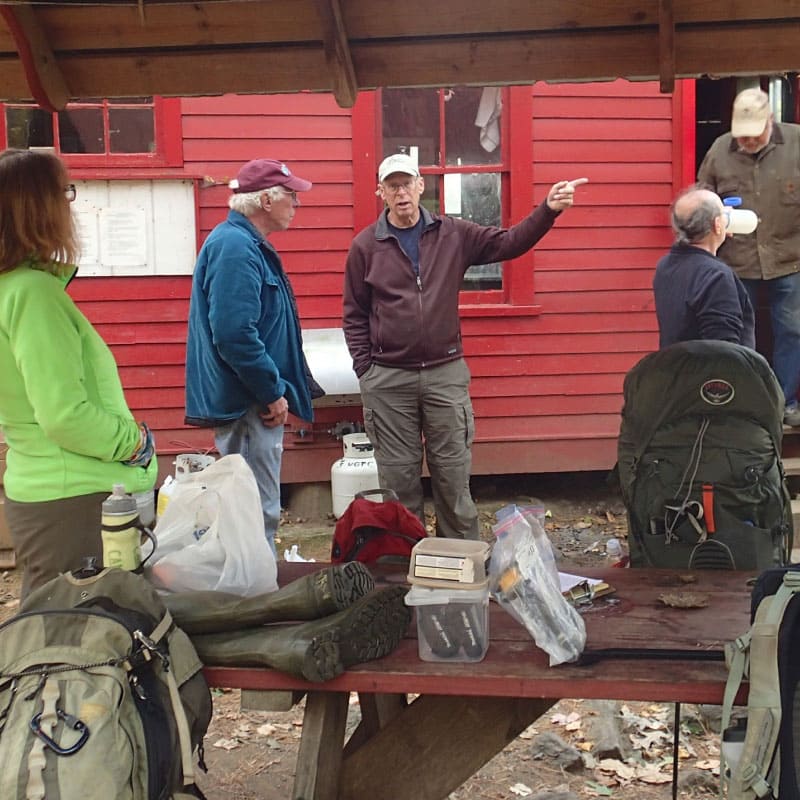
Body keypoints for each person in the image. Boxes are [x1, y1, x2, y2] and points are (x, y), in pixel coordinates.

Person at [342, 152, 587, 539]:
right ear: (381, 193)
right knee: (399, 483)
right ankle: (408, 567)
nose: (401, 192)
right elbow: (354, 313)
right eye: (392, 186)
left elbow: (509, 243)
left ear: (422, 186)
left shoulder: (452, 233)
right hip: (389, 381)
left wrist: (548, 210)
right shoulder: (365, 247)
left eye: (407, 183)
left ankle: (460, 567)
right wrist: (366, 370)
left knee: (453, 480)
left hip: (444, 373)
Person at [0, 148, 157, 598]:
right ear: (38, 208)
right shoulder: (32, 294)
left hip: (50, 489)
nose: (71, 206)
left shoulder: (14, 287)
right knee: (75, 644)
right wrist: (137, 443)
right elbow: (64, 415)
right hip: (71, 499)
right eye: (64, 194)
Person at [185, 159, 323, 554]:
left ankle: (254, 581)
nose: (297, 202)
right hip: (249, 404)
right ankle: (250, 593)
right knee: (252, 510)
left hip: (250, 400)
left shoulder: (241, 242)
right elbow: (234, 335)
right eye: (291, 195)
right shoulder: (234, 248)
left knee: (254, 507)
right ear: (265, 199)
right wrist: (271, 392)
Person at [698, 87, 800, 426]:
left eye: (754, 136)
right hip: (737, 261)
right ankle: (748, 403)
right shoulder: (718, 150)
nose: (748, 142)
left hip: (791, 259)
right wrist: (712, 220)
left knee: (793, 332)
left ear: (770, 120)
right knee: (740, 336)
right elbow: (702, 199)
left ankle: (785, 402)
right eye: (743, 137)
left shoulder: (797, 143)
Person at [653, 185, 755, 349]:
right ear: (717, 224)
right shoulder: (716, 276)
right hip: (710, 373)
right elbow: (725, 348)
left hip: (676, 369)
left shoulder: (665, 266)